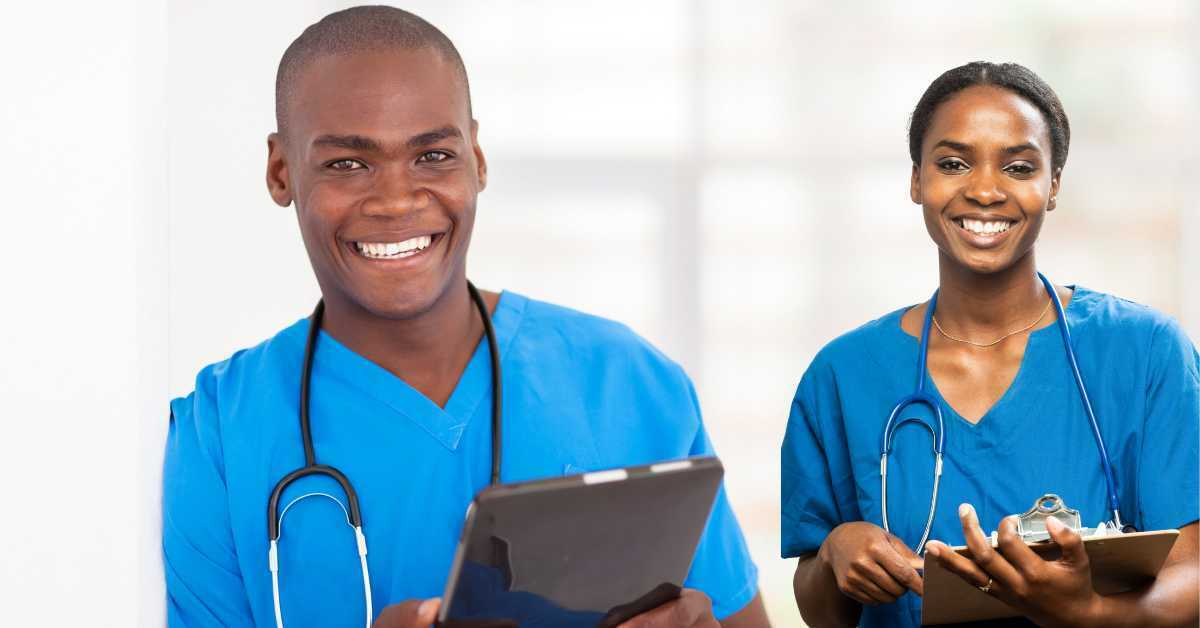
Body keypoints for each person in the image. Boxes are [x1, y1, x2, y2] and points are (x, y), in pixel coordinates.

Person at [163, 6, 768, 628]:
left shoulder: (628, 382)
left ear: (476, 158)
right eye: (348, 163)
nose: (396, 200)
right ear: (281, 170)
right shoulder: (216, 432)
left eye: (433, 155)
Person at [782, 61, 1198, 627]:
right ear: (916, 180)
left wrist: (1089, 613)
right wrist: (834, 552)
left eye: (1019, 167)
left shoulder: (1145, 353)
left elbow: (1193, 575)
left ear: (1053, 185)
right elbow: (821, 612)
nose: (983, 190)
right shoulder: (843, 375)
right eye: (953, 164)